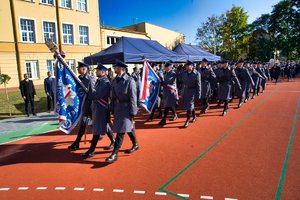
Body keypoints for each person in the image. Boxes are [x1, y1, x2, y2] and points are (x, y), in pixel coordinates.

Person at [106, 61, 139, 163]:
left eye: (115, 67)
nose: (114, 69)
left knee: (121, 131)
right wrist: (111, 109)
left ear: (121, 68)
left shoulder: (130, 81)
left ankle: (115, 153)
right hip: (117, 108)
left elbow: (133, 97)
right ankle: (136, 144)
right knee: (127, 128)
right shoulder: (115, 80)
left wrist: (133, 112)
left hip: (126, 108)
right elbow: (112, 96)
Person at [82, 64, 115, 159]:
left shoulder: (105, 83)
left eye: (98, 71)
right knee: (105, 126)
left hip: (101, 108)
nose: (96, 72)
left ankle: (91, 150)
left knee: (96, 130)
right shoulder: (99, 81)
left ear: (103, 72)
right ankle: (113, 141)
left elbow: (96, 95)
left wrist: (89, 94)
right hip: (97, 108)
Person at [68, 61, 96, 151]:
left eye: (79, 68)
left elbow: (94, 93)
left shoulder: (90, 79)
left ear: (84, 69)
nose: (78, 70)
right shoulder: (79, 78)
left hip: (90, 105)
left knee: (98, 124)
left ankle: (112, 139)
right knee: (83, 124)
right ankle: (77, 143)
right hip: (83, 105)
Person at [180, 61, 201, 128]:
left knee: (189, 105)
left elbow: (198, 85)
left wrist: (199, 94)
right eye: (186, 66)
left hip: (192, 91)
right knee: (190, 105)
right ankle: (194, 116)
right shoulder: (184, 73)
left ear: (192, 66)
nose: (186, 67)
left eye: (188, 65)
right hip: (186, 90)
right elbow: (181, 80)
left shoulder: (196, 73)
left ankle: (187, 120)